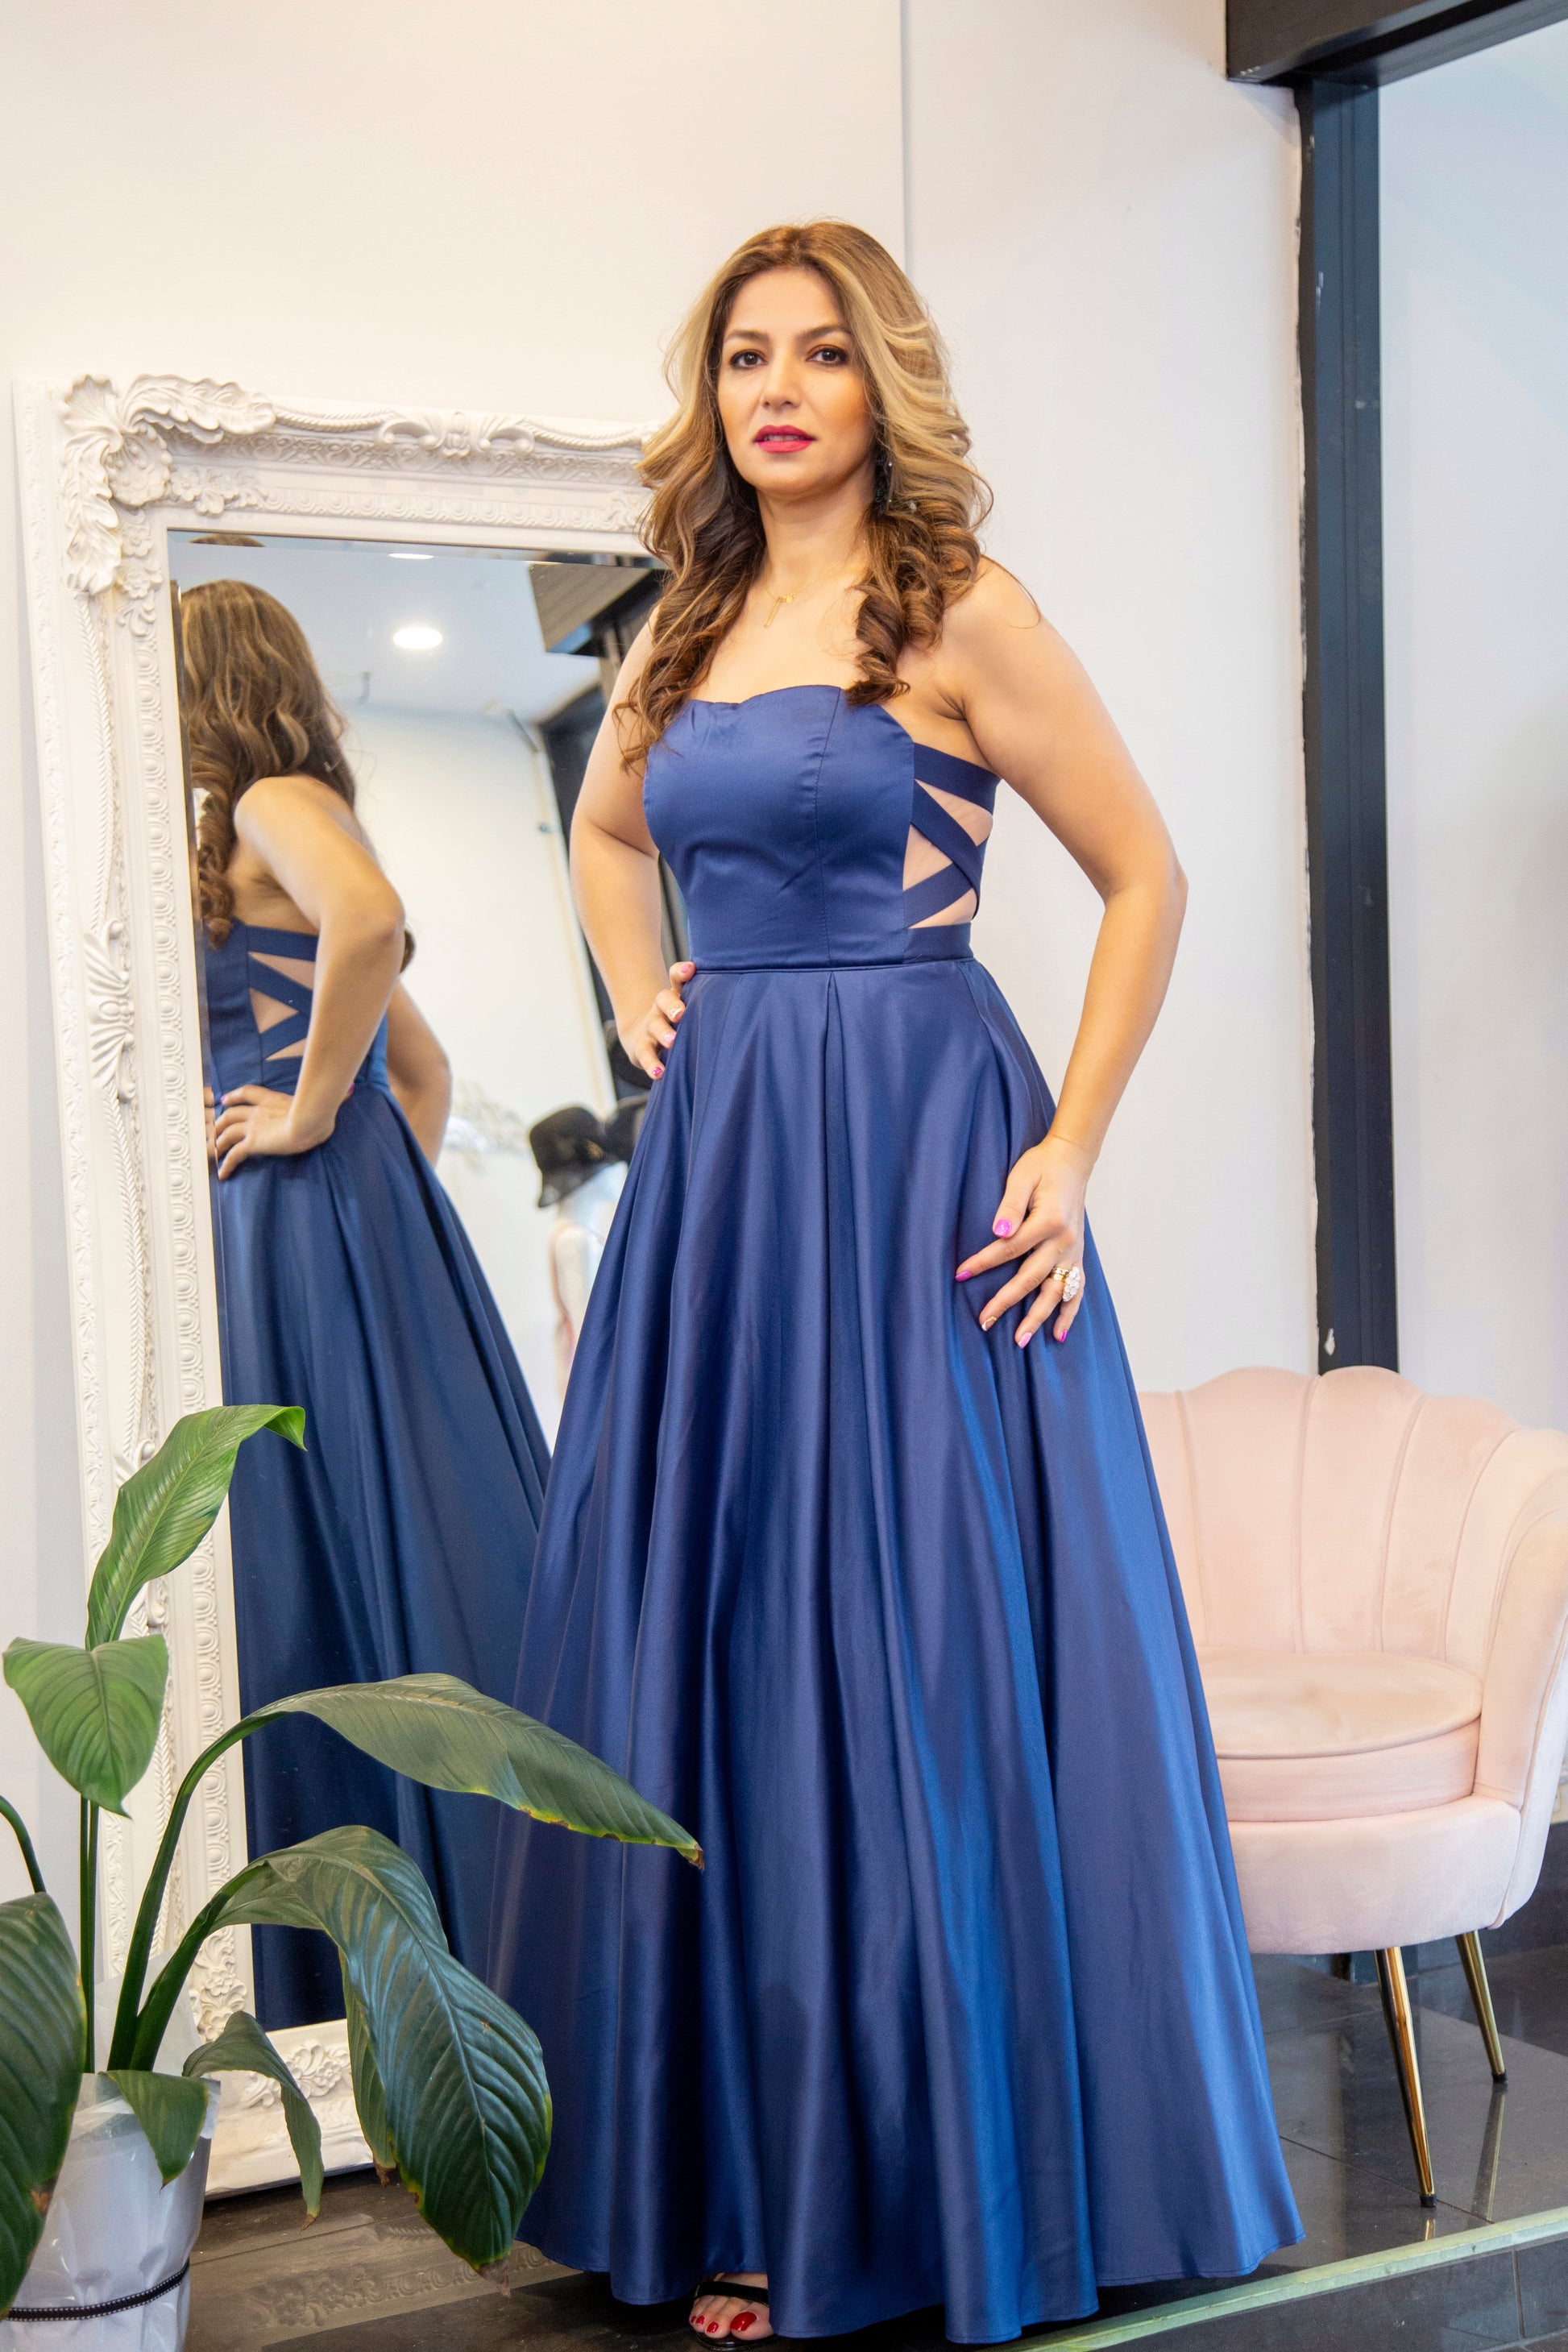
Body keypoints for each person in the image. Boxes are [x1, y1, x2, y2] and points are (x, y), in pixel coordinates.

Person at [487, 222, 1300, 2343]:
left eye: (819, 355)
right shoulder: (681, 624)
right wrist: (642, 985)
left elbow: (1145, 875)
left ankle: (939, 2170)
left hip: (923, 1144)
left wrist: (1071, 1146)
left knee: (908, 1641)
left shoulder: (962, 612)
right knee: (730, 1635)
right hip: (730, 1162)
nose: (776, 388)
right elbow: (604, 837)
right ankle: (748, 2172)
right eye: (744, 355)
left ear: (880, 391)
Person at [185, 578, 550, 2029]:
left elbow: (374, 924)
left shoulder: (268, 797)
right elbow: (431, 1073)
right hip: (341, 1216)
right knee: (367, 1544)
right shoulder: (266, 822)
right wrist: (374, 1178)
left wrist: (302, 1121)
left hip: (304, 1212)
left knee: (341, 1552)